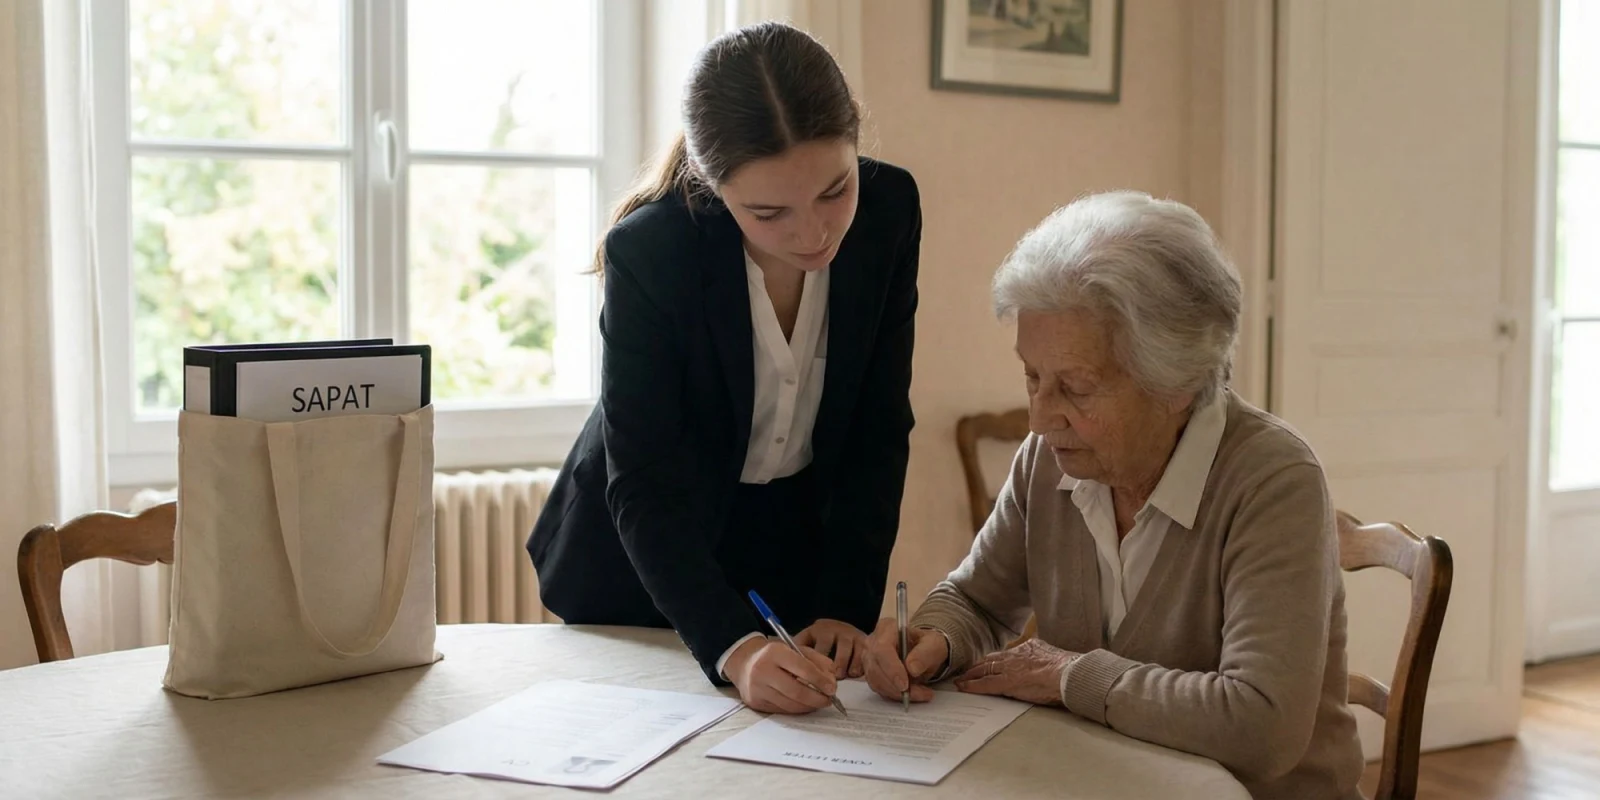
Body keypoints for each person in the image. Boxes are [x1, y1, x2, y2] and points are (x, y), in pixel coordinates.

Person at [860, 192, 1364, 799]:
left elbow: (1262, 726)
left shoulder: (1273, 480)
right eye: (1032, 376)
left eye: (1075, 387)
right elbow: (978, 601)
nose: (1041, 417)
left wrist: (1071, 677)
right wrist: (933, 641)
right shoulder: (1049, 458)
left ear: (1177, 382)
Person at [527, 22, 920, 717]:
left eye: (835, 190)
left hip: (789, 551)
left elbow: (877, 427)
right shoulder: (654, 251)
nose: (814, 232)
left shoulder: (890, 210)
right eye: (769, 212)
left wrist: (844, 605)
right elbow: (643, 482)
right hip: (644, 563)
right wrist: (732, 648)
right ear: (713, 186)